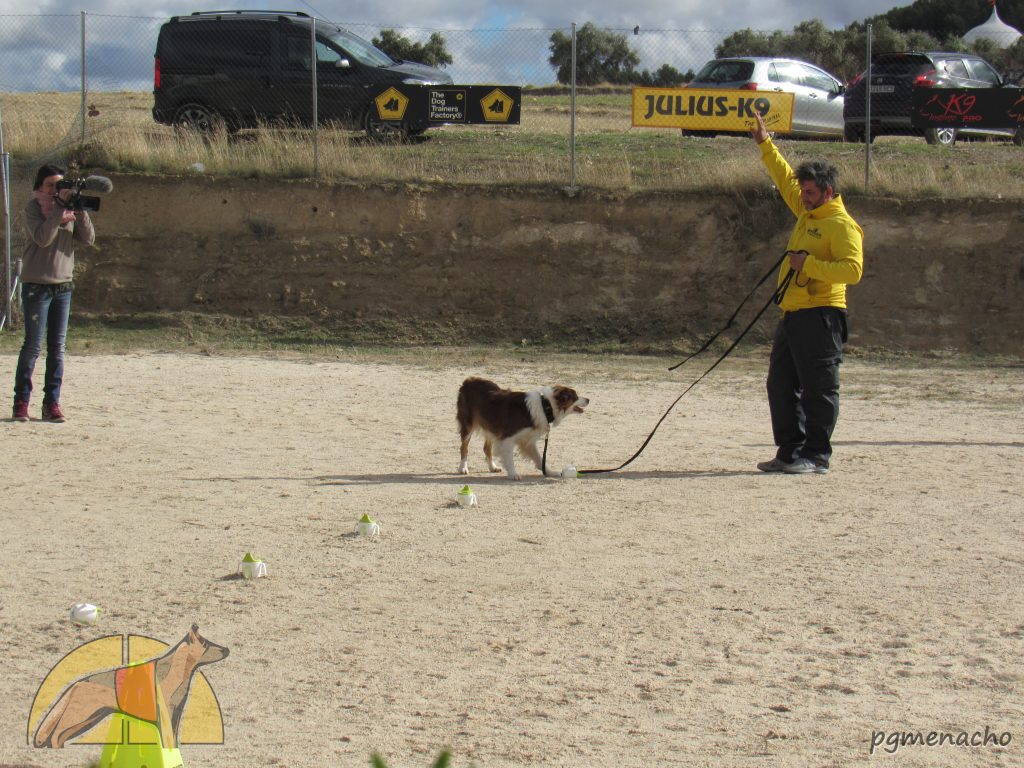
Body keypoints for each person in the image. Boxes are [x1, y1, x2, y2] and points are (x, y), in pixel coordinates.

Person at [749, 113, 863, 474]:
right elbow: (784, 180)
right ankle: (790, 451)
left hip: (822, 314)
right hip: (793, 314)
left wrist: (808, 265)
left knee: (819, 388)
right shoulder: (807, 211)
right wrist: (765, 144)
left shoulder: (841, 226)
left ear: (828, 192)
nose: (803, 196)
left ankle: (817, 455)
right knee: (780, 385)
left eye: (810, 192)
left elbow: (853, 271)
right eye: (804, 191)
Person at [11, 164, 95, 423]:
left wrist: (79, 210)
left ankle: (51, 404)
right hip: (37, 285)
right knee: (33, 346)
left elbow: (89, 238)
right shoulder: (33, 208)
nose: (55, 190)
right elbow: (43, 238)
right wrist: (59, 209)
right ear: (39, 186)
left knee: (57, 348)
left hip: (63, 286)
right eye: (50, 185)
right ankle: (21, 402)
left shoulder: (69, 210)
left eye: (59, 185)